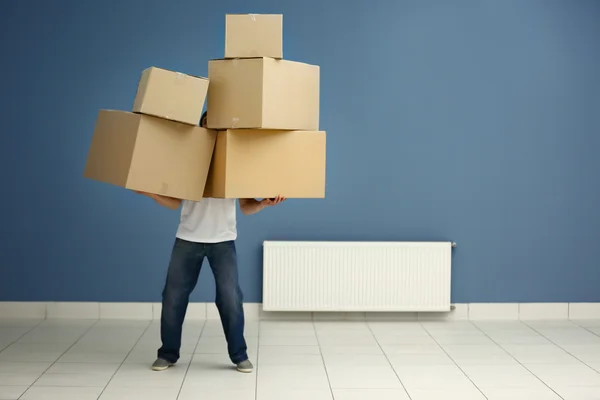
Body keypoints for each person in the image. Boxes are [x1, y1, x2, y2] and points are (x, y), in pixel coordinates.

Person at [136, 112, 286, 373]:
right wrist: (149, 192)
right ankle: (168, 353)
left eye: (216, 128)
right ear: (200, 129)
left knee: (230, 298)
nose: (211, 133)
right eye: (206, 128)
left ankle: (239, 355)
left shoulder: (235, 163)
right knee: (172, 297)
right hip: (188, 238)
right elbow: (173, 203)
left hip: (222, 241)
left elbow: (246, 207)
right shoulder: (187, 161)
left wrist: (264, 203)